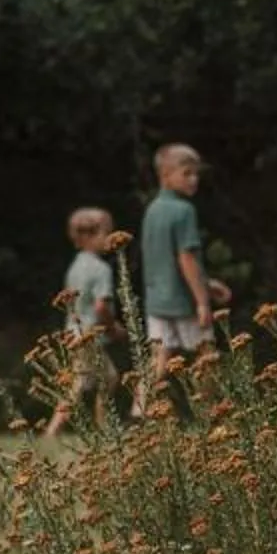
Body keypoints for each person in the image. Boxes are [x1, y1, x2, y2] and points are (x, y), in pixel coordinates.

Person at [136, 143, 228, 418]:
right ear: (165, 174)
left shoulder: (152, 210)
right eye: (186, 173)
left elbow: (163, 259)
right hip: (183, 301)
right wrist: (202, 301)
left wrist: (208, 283)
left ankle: (138, 413)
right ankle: (210, 414)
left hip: (156, 299)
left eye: (196, 174)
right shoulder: (184, 211)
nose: (194, 179)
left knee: (157, 359)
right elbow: (185, 258)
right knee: (206, 356)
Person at [42, 205, 121, 436]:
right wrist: (113, 327)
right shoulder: (100, 269)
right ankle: (60, 430)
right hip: (88, 334)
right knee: (85, 384)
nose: (110, 238)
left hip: (73, 332)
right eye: (106, 233)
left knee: (99, 379)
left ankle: (101, 425)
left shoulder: (76, 266)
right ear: (89, 236)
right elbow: (101, 305)